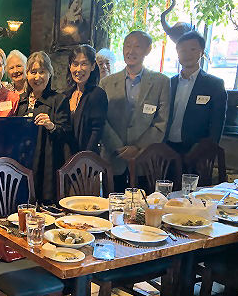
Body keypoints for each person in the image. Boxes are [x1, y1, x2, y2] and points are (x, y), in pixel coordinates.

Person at [100, 30, 170, 191]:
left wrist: (138, 148)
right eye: (127, 46)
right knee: (112, 203)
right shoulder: (106, 83)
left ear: (148, 50)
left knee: (144, 203)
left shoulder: (161, 82)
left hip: (145, 160)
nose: (131, 51)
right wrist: (118, 147)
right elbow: (101, 120)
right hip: (114, 158)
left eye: (137, 46)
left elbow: (161, 122)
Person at [16, 51, 71, 203]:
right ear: (27, 74)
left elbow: (67, 134)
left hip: (47, 165)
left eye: (42, 72)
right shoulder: (20, 101)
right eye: (33, 72)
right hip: (24, 162)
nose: (37, 77)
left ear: (50, 73)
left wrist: (52, 126)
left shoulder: (59, 100)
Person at [165, 31, 227, 154]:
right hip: (166, 146)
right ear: (177, 54)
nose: (187, 54)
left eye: (193, 49)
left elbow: (217, 122)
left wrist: (209, 150)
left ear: (202, 52)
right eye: (182, 50)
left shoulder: (214, 84)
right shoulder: (168, 83)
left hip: (196, 149)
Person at [63, 44, 107, 153]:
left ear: (92, 66)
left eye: (84, 64)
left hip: (86, 158)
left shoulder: (97, 94)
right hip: (65, 157)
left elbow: (96, 132)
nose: (79, 69)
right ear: (70, 66)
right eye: (75, 64)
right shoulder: (66, 95)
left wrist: (84, 159)